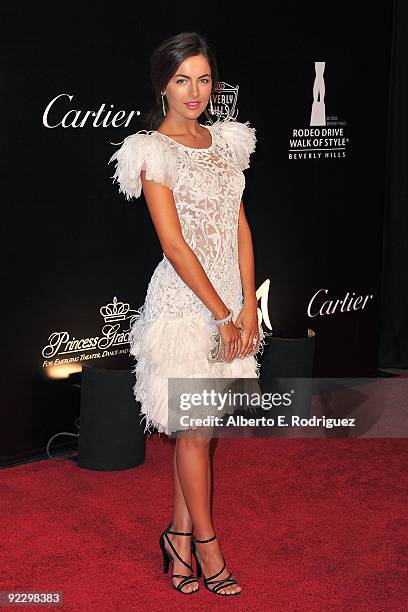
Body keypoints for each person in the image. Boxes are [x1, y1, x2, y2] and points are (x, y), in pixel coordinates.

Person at [108, 31, 267, 597]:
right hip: (185, 306)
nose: (194, 91)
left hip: (230, 301)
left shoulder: (227, 142)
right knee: (196, 433)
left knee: (199, 433)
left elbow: (239, 225)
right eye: (182, 80)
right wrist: (223, 313)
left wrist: (248, 303)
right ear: (163, 85)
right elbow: (174, 244)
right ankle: (208, 546)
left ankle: (177, 537)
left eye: (203, 79)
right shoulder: (152, 151)